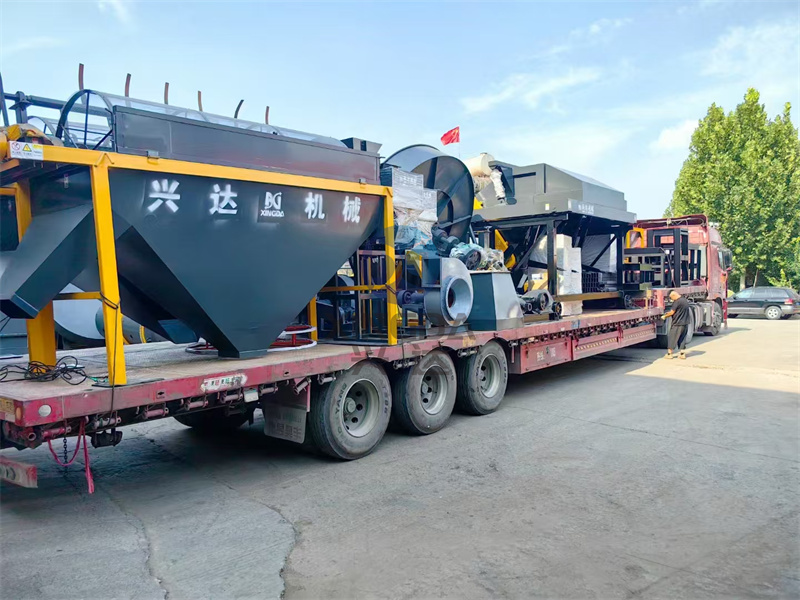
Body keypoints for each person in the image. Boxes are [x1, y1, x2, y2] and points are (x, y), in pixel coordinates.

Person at [661, 291, 692, 359]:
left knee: (672, 338)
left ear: (674, 295)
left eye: (671, 297)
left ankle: (669, 354)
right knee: (682, 338)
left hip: (677, 323)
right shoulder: (684, 300)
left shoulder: (677, 302)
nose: (671, 299)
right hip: (685, 323)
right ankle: (682, 354)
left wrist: (664, 316)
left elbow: (672, 312)